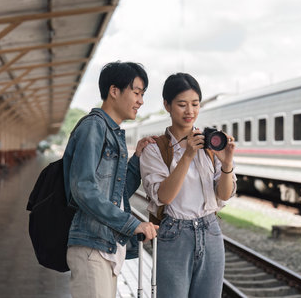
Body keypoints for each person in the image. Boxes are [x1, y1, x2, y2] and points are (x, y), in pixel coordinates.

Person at [62, 61, 158, 298]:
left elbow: (116, 193)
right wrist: (132, 223)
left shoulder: (112, 132)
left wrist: (136, 159)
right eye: (136, 92)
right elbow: (83, 189)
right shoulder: (94, 127)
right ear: (114, 91)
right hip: (91, 248)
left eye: (142, 94)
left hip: (105, 247)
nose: (141, 100)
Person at [140, 72, 237, 297]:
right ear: (167, 105)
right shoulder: (155, 148)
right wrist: (187, 156)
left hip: (210, 230)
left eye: (195, 104)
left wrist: (227, 163)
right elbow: (164, 197)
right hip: (174, 234)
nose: (190, 111)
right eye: (182, 104)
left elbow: (224, 195)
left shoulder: (211, 145)